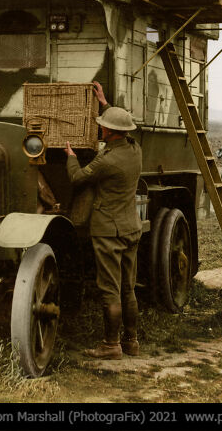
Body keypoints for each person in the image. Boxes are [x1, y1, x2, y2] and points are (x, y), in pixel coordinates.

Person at [65, 81, 142, 359]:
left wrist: (71, 156)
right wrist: (105, 103)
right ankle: (131, 342)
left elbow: (77, 178)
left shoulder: (106, 161)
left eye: (103, 125)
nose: (100, 127)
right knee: (127, 287)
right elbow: (125, 129)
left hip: (108, 231)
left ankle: (111, 346)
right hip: (131, 228)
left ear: (108, 131)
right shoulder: (134, 149)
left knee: (109, 289)